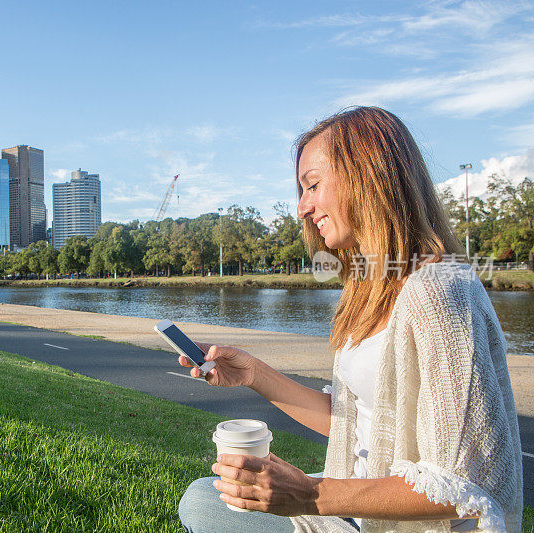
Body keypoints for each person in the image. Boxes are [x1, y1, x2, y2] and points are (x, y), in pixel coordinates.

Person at [177, 107, 523, 532]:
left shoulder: (439, 288)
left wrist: (309, 494)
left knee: (206, 505)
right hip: (353, 516)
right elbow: (353, 420)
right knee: (202, 498)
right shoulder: (369, 289)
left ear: (369, 177)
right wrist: (254, 373)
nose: (303, 207)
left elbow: (470, 483)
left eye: (313, 185)